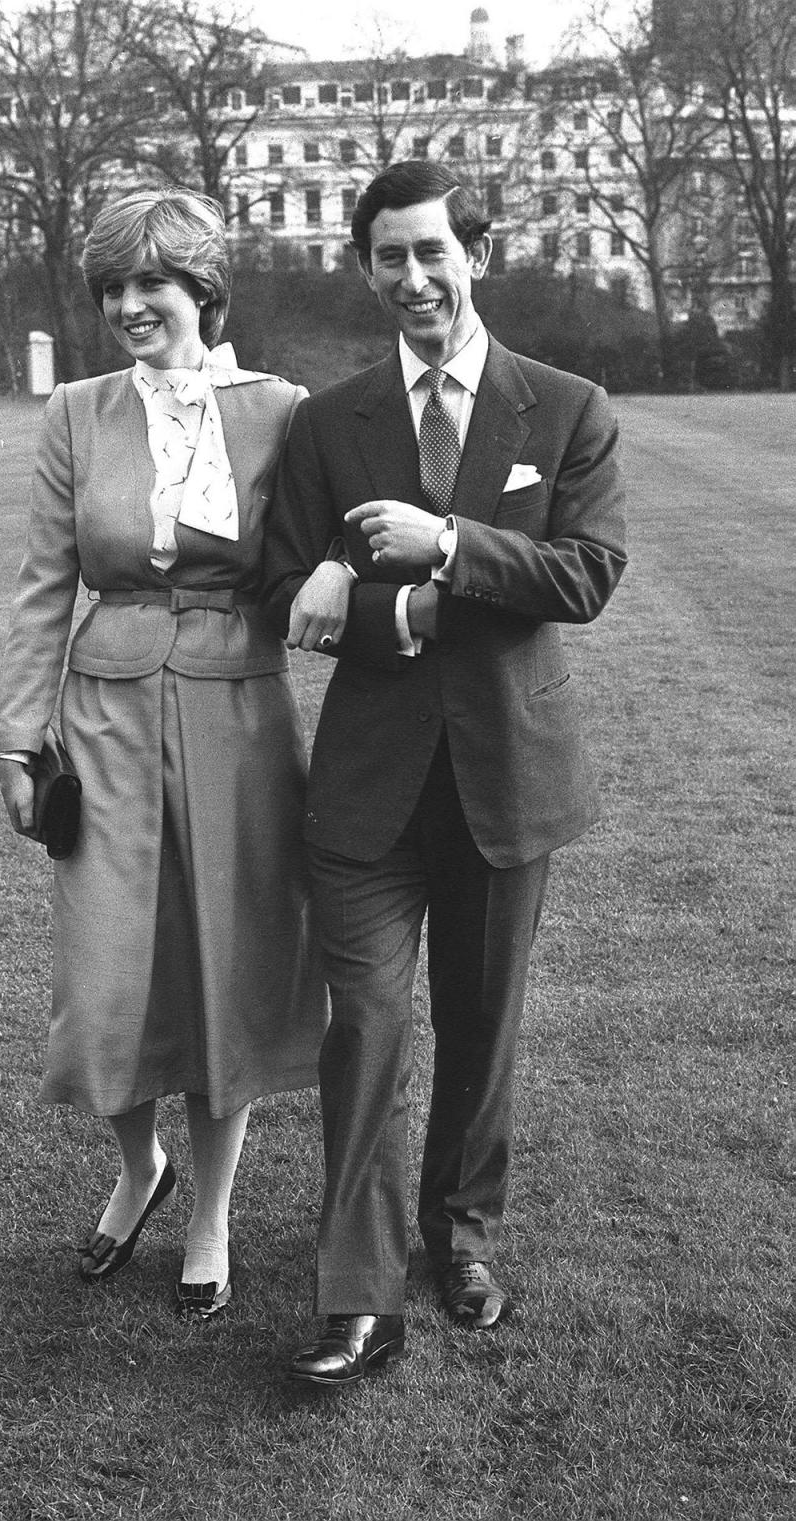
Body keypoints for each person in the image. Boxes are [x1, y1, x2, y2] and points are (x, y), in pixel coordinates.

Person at [263, 160, 627, 1385]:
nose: (412, 278)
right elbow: (281, 590)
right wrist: (387, 606)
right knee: (361, 1028)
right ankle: (356, 1299)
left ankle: (460, 1237)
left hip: (504, 779)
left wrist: (448, 548)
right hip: (367, 787)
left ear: (479, 250)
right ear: (363, 267)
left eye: (432, 252)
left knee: (480, 1027)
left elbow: (583, 577)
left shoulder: (565, 407)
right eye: (388, 258)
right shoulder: (332, 419)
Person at [0, 189, 333, 1319]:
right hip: (101, 721)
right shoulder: (79, 412)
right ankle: (140, 1166)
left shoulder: (281, 409)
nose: (131, 305)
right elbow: (48, 584)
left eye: (154, 283)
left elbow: (314, 562)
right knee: (103, 977)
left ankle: (212, 1212)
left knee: (224, 964)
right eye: (114, 287)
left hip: (238, 716)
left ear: (203, 288)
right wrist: (17, 732)